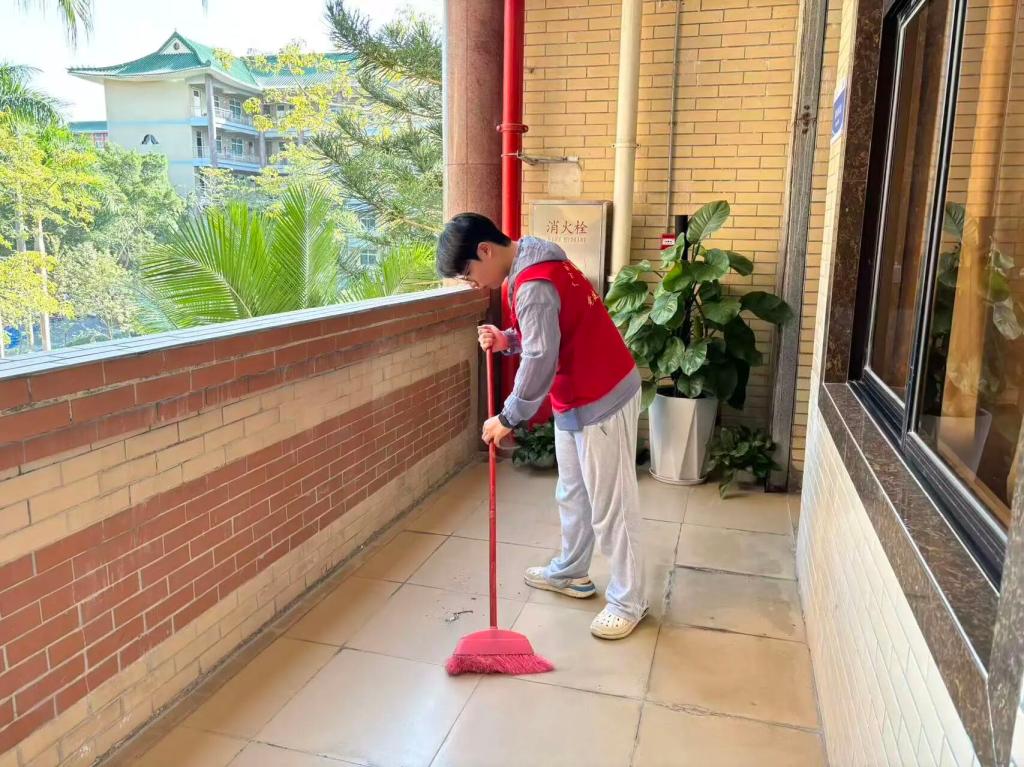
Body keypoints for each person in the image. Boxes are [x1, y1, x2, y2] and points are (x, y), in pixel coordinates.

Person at [435, 212, 647, 640]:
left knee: (612, 507)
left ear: (485, 251)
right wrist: (507, 338)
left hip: (602, 396)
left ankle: (629, 601)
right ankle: (571, 572)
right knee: (573, 492)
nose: (472, 283)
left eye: (468, 273)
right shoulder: (532, 256)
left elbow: (540, 358)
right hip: (576, 396)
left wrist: (508, 417)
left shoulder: (532, 282)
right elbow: (545, 335)